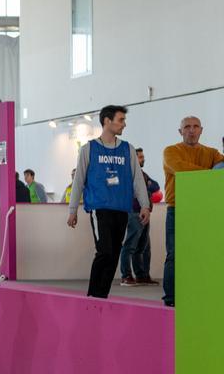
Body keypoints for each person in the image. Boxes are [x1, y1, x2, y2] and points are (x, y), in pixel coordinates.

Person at [66, 105, 151, 299]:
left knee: (114, 255)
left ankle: (101, 297)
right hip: (99, 209)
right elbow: (78, 180)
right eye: (121, 120)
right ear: (107, 121)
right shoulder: (89, 149)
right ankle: (93, 296)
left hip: (122, 209)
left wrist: (144, 205)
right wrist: (73, 210)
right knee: (104, 251)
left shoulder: (127, 149)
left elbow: (137, 179)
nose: (124, 124)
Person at [161, 116, 223, 307]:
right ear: (180, 132)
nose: (191, 130)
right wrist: (209, 173)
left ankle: (198, 295)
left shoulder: (212, 153)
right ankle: (170, 299)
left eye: (196, 126)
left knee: (201, 254)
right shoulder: (171, 151)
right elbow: (180, 168)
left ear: (201, 130)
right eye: (187, 127)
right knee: (175, 255)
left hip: (203, 210)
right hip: (177, 209)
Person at [119, 147, 161, 287]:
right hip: (133, 212)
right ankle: (126, 276)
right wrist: (144, 185)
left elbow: (155, 186)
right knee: (130, 245)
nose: (143, 159)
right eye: (140, 157)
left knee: (143, 247)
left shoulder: (143, 174)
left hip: (146, 213)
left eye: (143, 156)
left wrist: (145, 184)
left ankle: (142, 276)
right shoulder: (127, 173)